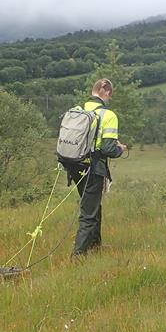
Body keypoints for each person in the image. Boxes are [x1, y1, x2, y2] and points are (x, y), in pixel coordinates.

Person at [65, 78, 126, 255]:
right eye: (110, 95)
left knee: (93, 206)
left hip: (74, 166)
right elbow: (108, 149)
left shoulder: (78, 110)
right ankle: (78, 255)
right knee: (88, 214)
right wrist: (120, 149)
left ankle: (95, 246)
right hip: (93, 168)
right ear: (105, 91)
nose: (109, 98)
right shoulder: (108, 115)